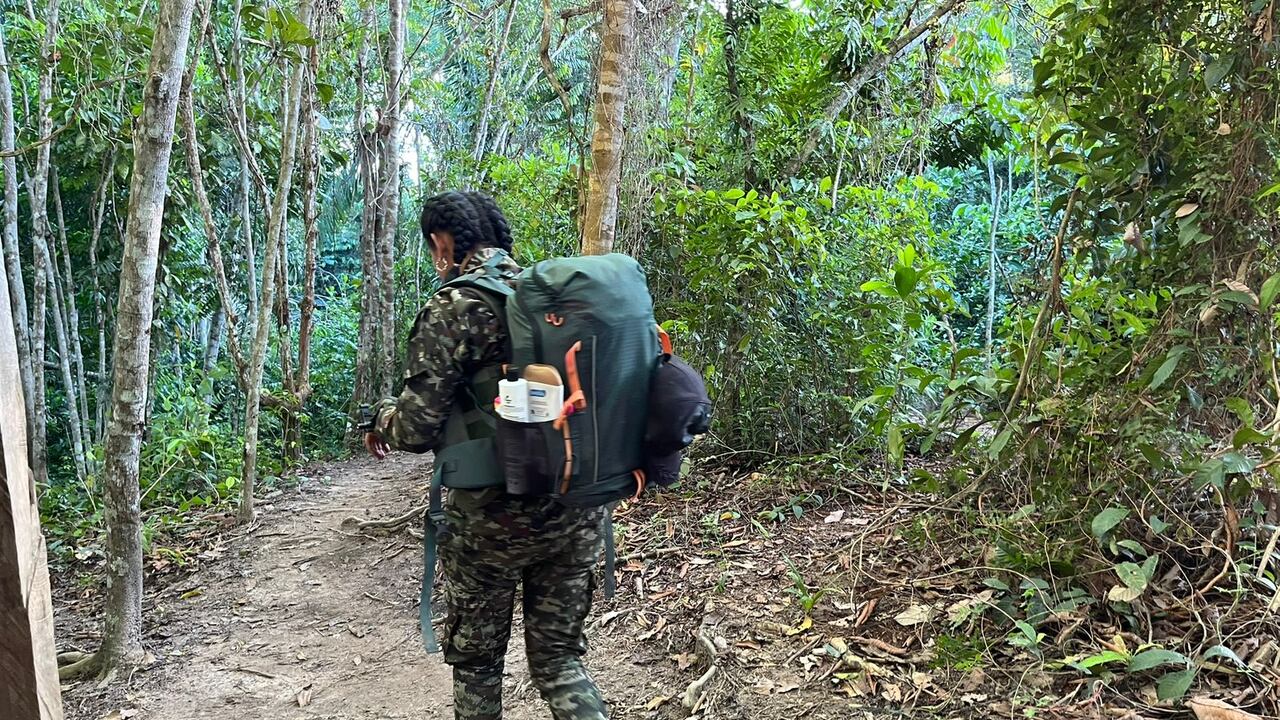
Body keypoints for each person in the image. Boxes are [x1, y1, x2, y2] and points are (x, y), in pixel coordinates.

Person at [364, 191, 610, 720]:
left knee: (478, 665)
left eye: (435, 247)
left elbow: (415, 429)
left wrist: (383, 417)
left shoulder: (456, 306)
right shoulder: (556, 297)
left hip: (489, 522)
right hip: (576, 507)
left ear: (444, 241)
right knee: (561, 662)